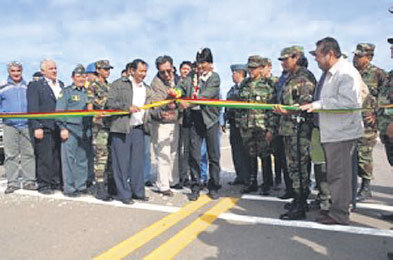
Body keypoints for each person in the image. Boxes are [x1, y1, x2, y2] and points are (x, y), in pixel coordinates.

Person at [300, 37, 364, 225]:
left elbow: (348, 103)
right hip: (332, 132)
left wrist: (317, 105)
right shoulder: (331, 73)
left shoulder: (345, 73)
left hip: (342, 133)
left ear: (330, 54)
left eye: (318, 55)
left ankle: (340, 214)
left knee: (340, 176)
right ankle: (336, 210)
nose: (316, 60)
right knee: (335, 175)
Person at [275, 46, 316, 220]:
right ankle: (298, 199)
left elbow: (305, 106)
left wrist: (287, 112)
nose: (283, 63)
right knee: (294, 167)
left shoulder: (304, 77)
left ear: (296, 57)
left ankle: (300, 205)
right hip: (289, 129)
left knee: (299, 168)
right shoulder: (291, 77)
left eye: (286, 59)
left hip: (299, 129)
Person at [107, 59, 152, 204]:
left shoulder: (146, 88)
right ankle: (124, 194)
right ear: (132, 71)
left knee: (137, 164)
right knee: (121, 164)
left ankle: (138, 192)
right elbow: (110, 103)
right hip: (121, 129)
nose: (143, 74)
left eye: (145, 71)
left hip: (138, 129)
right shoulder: (118, 85)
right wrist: (127, 107)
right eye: (141, 71)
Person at [178, 48, 221, 201]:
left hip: (210, 119)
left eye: (204, 63)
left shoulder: (214, 78)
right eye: (199, 63)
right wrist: (176, 93)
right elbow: (180, 88)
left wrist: (187, 102)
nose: (201, 66)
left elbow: (205, 96)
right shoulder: (190, 76)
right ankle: (195, 186)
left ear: (210, 64)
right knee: (194, 155)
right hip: (194, 119)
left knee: (213, 155)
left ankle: (214, 185)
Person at [234, 56, 275, 195]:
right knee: (249, 155)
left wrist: (271, 128)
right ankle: (251, 182)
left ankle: (267, 183)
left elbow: (272, 108)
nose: (250, 70)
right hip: (247, 126)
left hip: (261, 126)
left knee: (264, 155)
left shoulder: (268, 85)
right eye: (249, 68)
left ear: (260, 68)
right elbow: (239, 106)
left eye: (253, 68)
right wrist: (240, 123)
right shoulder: (244, 84)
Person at [352, 43, 387, 202]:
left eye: (359, 56)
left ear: (369, 57)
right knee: (353, 154)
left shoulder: (378, 74)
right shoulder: (352, 74)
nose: (356, 59)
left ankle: (366, 187)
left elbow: (386, 98)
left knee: (364, 154)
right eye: (355, 55)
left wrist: (377, 116)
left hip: (368, 123)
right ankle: (354, 185)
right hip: (351, 121)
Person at [27, 59, 64, 195]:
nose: (54, 71)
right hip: (43, 126)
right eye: (50, 69)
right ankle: (44, 184)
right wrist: (36, 126)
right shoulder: (35, 85)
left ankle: (56, 182)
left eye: (55, 68)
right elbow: (32, 107)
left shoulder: (61, 84)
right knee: (44, 157)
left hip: (58, 126)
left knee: (56, 156)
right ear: (43, 71)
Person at [56, 65, 92, 197]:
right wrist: (62, 128)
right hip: (70, 129)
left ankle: (80, 185)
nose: (81, 79)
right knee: (68, 160)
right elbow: (59, 112)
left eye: (83, 76)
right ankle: (69, 188)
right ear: (72, 77)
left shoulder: (89, 92)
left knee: (82, 159)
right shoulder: (66, 92)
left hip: (84, 130)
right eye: (78, 76)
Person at [0, 61, 36, 194]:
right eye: (13, 71)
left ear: (22, 71)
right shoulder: (2, 87)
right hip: (10, 125)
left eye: (18, 71)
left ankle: (29, 181)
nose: (16, 73)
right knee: (11, 155)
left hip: (27, 125)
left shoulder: (28, 87)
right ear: (9, 72)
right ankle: (12, 182)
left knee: (29, 154)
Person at [149, 55, 180, 196]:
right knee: (163, 154)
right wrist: (161, 111)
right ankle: (163, 185)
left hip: (176, 122)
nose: (167, 74)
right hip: (161, 124)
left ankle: (173, 181)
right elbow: (153, 104)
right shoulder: (155, 84)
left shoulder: (179, 80)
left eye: (169, 70)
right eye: (163, 72)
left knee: (174, 153)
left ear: (173, 67)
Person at [86, 60, 114, 200]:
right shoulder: (93, 86)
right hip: (99, 126)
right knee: (100, 157)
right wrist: (96, 115)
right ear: (98, 70)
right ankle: (99, 187)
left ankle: (108, 185)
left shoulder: (109, 86)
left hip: (110, 124)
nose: (107, 71)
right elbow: (90, 106)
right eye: (105, 69)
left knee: (108, 156)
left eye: (108, 69)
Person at [225, 64, 248, 186]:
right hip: (233, 123)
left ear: (240, 73)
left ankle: (247, 177)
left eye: (234, 73)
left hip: (244, 124)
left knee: (246, 152)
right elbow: (227, 106)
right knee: (236, 151)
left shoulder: (246, 88)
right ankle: (240, 175)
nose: (232, 75)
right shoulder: (232, 90)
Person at [176, 61, 194, 189]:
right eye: (183, 69)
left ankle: (187, 176)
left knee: (189, 150)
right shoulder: (177, 84)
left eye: (188, 69)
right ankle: (181, 176)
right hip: (178, 120)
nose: (186, 71)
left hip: (190, 120)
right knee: (180, 150)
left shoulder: (193, 82)